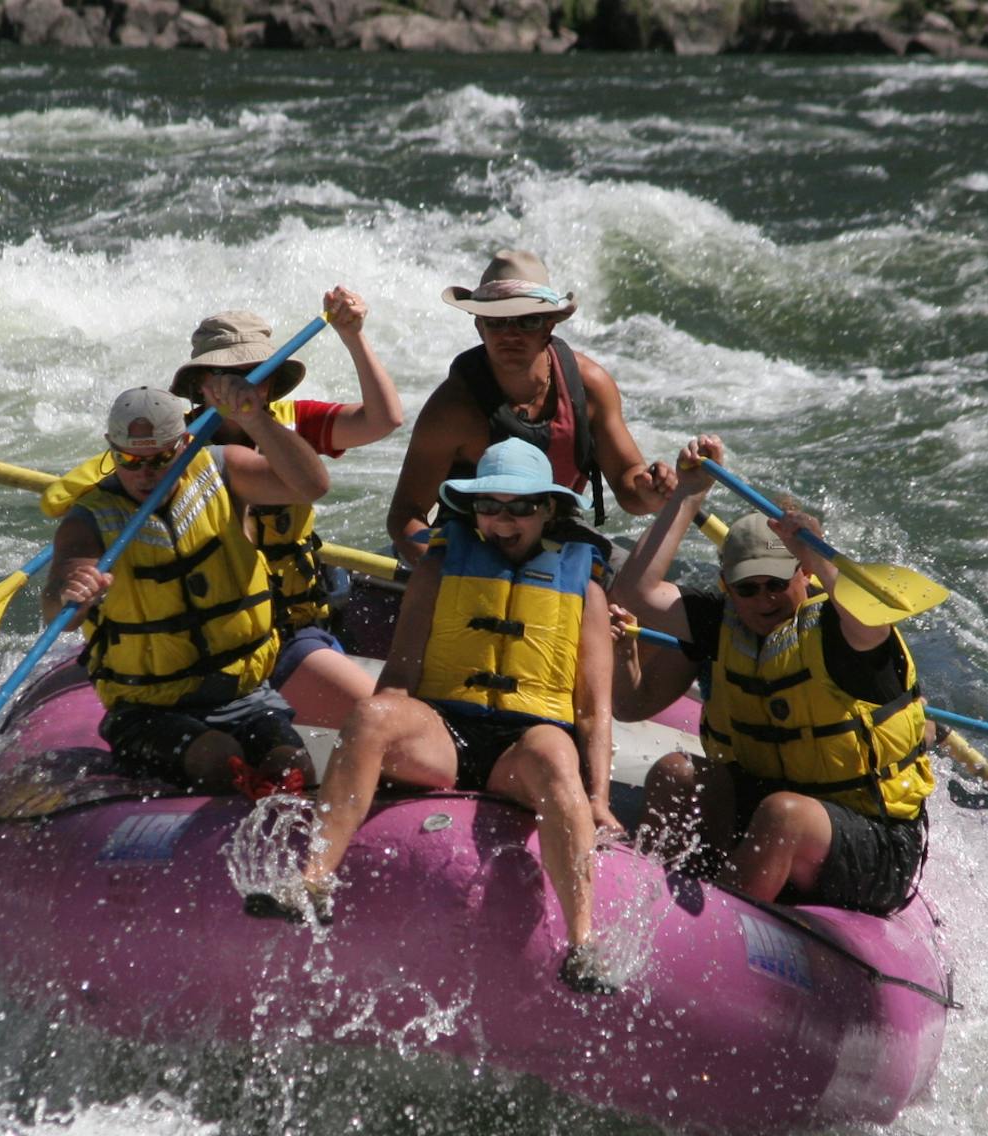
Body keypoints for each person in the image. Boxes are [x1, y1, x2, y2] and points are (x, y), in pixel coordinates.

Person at [251, 438, 622, 985]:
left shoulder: (584, 590)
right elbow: (400, 676)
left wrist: (600, 801)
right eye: (489, 506)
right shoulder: (439, 568)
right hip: (445, 733)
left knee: (556, 754)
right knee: (374, 713)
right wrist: (376, 747)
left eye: (520, 507)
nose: (502, 520)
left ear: (547, 509)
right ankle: (312, 880)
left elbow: (594, 710)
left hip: (525, 747)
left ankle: (583, 944)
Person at [609, 434, 935, 930]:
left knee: (783, 815)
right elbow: (634, 593)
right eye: (748, 587)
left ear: (804, 577)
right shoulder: (719, 621)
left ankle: (711, 935)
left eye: (777, 584)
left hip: (873, 838)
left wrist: (819, 551)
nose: (763, 599)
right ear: (727, 587)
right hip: (764, 807)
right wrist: (689, 494)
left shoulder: (841, 632)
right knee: (677, 774)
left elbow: (874, 620)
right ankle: (644, 907)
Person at [41, 381, 331, 796]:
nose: (144, 473)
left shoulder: (223, 470)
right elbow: (59, 612)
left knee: (292, 765)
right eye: (128, 459)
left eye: (160, 459)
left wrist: (254, 420)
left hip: (245, 696)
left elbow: (311, 486)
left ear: (185, 443)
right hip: (147, 711)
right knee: (218, 756)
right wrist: (72, 591)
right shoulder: (88, 520)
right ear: (111, 447)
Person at [169, 289, 403, 730]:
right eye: (226, 374)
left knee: (388, 723)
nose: (241, 385)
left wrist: (352, 337)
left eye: (253, 373)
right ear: (201, 385)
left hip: (291, 631)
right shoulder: (170, 450)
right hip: (212, 639)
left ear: (272, 383)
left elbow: (384, 419)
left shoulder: (293, 424)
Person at [384, 248, 676, 568]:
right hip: (472, 536)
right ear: (479, 326)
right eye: (497, 321)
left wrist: (649, 491)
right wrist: (441, 571)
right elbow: (405, 516)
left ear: (549, 325)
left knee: (633, 590)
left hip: (557, 529)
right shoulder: (453, 409)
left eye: (527, 321)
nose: (511, 334)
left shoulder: (590, 387)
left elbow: (628, 486)